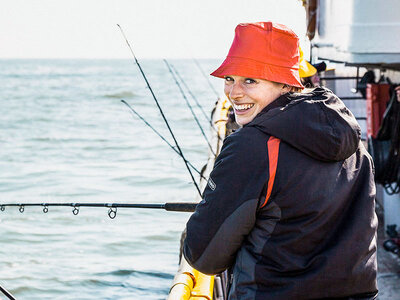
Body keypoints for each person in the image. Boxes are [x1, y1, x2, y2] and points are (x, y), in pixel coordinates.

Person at [183, 22, 378, 299]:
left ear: (286, 84)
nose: (234, 92)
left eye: (250, 80)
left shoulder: (250, 147)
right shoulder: (355, 142)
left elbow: (203, 255)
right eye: (229, 78)